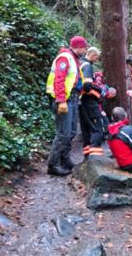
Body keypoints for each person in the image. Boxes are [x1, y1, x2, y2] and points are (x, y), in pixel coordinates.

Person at [46, 36, 88, 176]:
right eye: (84, 48)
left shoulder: (74, 59)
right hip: (65, 100)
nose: (85, 50)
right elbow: (59, 79)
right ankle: (53, 164)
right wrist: (61, 100)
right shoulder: (65, 58)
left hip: (74, 99)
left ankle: (65, 159)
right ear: (78, 47)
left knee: (71, 132)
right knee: (63, 133)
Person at [79, 47, 105, 156]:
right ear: (92, 55)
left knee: (86, 130)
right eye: (96, 57)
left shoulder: (79, 64)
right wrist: (97, 89)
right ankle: (94, 157)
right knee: (97, 129)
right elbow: (87, 86)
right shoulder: (87, 66)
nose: (96, 60)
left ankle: (87, 156)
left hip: (81, 103)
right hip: (89, 103)